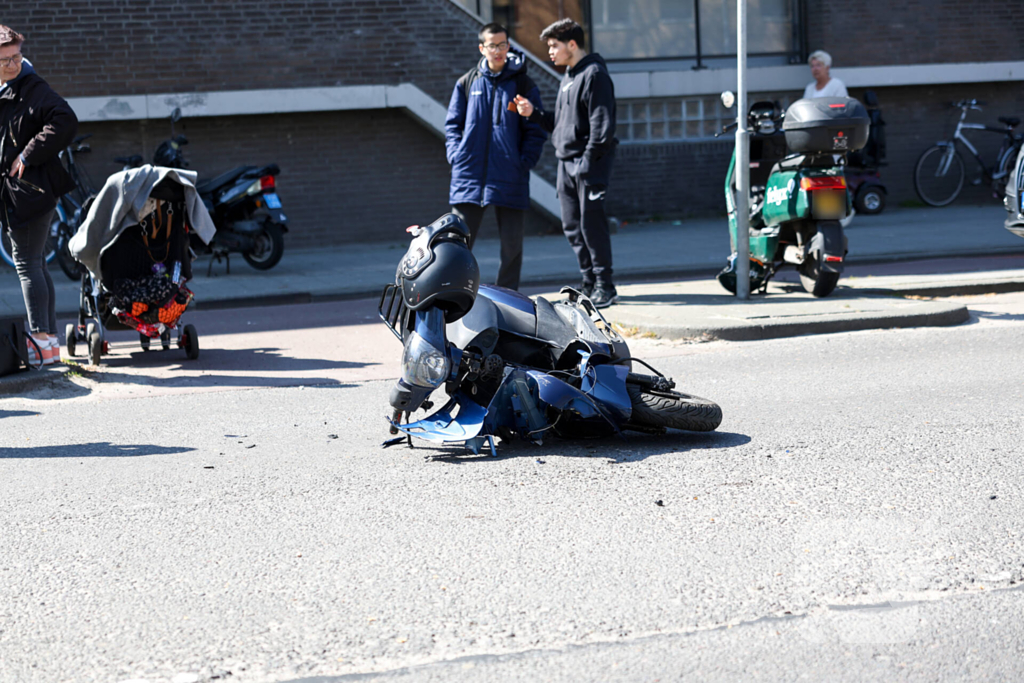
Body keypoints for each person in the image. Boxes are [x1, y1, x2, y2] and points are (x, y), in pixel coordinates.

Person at [513, 19, 619, 308]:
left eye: (553, 46)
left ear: (572, 44)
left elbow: (602, 128)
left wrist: (586, 164)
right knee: (572, 226)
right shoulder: (569, 77)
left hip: (588, 164)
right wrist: (533, 113)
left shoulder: (595, 74)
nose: (550, 52)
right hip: (566, 163)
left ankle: (605, 286)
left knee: (591, 225)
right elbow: (560, 125)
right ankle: (588, 282)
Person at [445, 22, 547, 291]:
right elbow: (452, 124)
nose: (499, 50)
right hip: (469, 176)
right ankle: (456, 294)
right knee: (458, 244)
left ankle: (508, 297)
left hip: (510, 175)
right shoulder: (467, 83)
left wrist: (524, 162)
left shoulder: (523, 83)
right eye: (493, 45)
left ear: (508, 46)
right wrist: (456, 155)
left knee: (512, 246)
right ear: (482, 48)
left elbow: (535, 129)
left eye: (503, 44)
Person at [0, 25, 77, 365]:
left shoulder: (31, 87)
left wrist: (27, 155)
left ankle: (41, 340)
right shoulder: (5, 90)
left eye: (16, 57)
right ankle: (49, 344)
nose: (13, 64)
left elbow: (65, 119)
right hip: (24, 191)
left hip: (30, 191)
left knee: (28, 264)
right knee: (36, 266)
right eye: (5, 60)